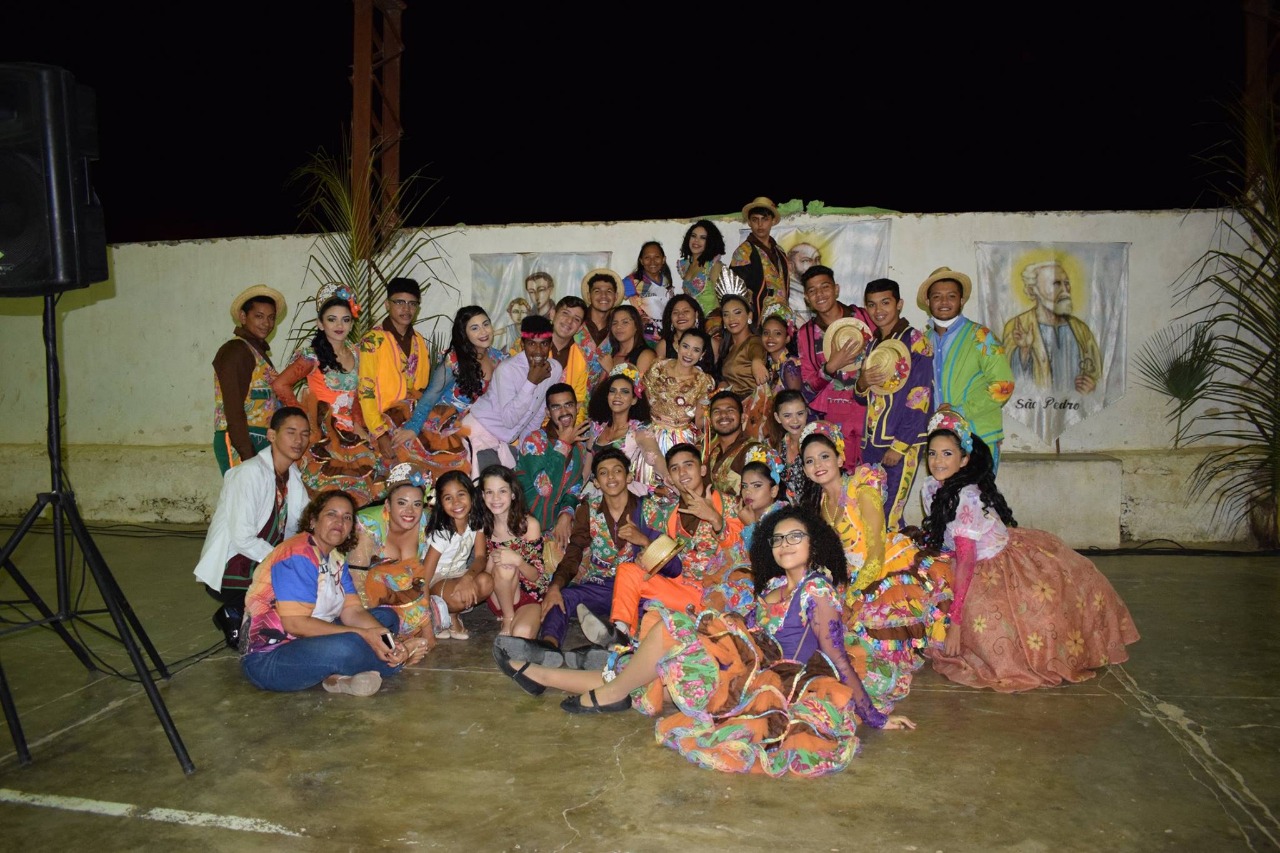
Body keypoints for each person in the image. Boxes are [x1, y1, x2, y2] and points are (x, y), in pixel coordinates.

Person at [495, 505, 914, 778]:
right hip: (746, 664)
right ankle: (540, 676)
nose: (784, 545)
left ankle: (604, 692)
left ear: (814, 543)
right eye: (777, 539)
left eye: (795, 537)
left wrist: (875, 717)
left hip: (770, 682)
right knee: (647, 664)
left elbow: (836, 654)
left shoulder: (817, 590)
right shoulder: (775, 587)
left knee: (668, 634)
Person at [920, 408, 1138, 690]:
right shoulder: (931, 486)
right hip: (961, 559)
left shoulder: (967, 498)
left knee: (1003, 623)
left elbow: (966, 562)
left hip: (987, 564)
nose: (938, 461)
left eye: (947, 454)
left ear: (964, 460)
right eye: (933, 453)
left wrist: (956, 623)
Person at [797, 422, 949, 709]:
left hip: (884, 569)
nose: (818, 465)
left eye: (824, 456)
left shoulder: (862, 488)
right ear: (804, 469)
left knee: (863, 628)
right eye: (810, 461)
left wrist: (854, 595)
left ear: (840, 458)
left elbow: (876, 551)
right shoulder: (819, 503)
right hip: (852, 576)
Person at [239, 490, 420, 696]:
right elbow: (295, 624)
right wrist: (366, 636)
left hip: (312, 641)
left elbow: (353, 611)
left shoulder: (336, 557)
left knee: (386, 618)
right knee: (349, 645)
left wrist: (386, 639)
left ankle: (339, 677)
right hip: (270, 659)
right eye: (331, 514)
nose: (339, 522)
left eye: (347, 517)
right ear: (313, 520)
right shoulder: (297, 554)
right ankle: (395, 661)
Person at [585, 442, 752, 643]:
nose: (682, 473)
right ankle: (620, 632)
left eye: (688, 465)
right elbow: (670, 562)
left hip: (718, 597)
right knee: (628, 570)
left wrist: (716, 520)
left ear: (702, 469)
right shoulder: (669, 514)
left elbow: (743, 554)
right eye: (675, 468)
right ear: (670, 477)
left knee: (653, 623)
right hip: (683, 592)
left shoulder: (730, 504)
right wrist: (648, 557)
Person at [195, 406, 312, 648]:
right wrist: (286, 562)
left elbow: (303, 525)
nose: (298, 440)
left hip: (264, 560)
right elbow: (243, 539)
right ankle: (234, 610)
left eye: (304, 434)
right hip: (235, 569)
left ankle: (246, 614)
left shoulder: (292, 476)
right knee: (295, 585)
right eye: (291, 432)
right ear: (271, 435)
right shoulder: (248, 474)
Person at [533, 448, 670, 651]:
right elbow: (575, 550)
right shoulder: (589, 509)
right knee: (562, 597)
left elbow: (666, 557)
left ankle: (615, 644)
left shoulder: (648, 509)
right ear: (596, 482)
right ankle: (549, 646)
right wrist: (555, 586)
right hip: (599, 586)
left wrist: (642, 540)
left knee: (661, 610)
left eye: (617, 470)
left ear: (629, 477)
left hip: (636, 590)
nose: (611, 477)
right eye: (603, 473)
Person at [270, 283, 379, 505]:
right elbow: (280, 385)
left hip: (351, 434)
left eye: (345, 319)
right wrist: (305, 420)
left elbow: (357, 396)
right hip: (322, 435)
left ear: (352, 323)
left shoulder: (357, 354)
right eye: (332, 319)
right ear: (320, 323)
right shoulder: (312, 356)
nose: (339, 325)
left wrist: (358, 425)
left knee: (359, 492)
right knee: (326, 496)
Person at [918, 267, 1015, 471]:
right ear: (927, 301)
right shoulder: (922, 341)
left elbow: (1004, 386)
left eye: (951, 296)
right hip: (940, 441)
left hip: (978, 436)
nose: (944, 302)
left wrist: (958, 412)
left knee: (975, 492)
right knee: (944, 492)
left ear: (962, 300)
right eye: (937, 296)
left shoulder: (982, 337)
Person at [855, 278, 934, 529]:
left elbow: (920, 397)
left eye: (885, 303)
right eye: (872, 304)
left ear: (899, 304)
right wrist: (862, 382)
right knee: (870, 511)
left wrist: (900, 446)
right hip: (872, 441)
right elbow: (862, 396)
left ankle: (895, 555)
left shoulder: (915, 341)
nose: (878, 310)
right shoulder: (873, 343)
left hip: (901, 443)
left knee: (890, 515)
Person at [399, 305, 507, 478]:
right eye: (474, 328)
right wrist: (413, 427)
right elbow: (431, 394)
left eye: (486, 324)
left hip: (477, 424)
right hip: (443, 427)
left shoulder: (499, 358)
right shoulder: (454, 360)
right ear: (464, 334)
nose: (483, 331)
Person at [346, 464, 441, 653]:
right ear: (388, 505)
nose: (410, 511)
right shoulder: (367, 526)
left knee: (436, 609)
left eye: (417, 504)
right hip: (362, 602)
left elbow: (420, 578)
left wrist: (428, 631)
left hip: (406, 599)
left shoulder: (425, 522)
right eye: (402, 503)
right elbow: (356, 585)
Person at [463, 314, 564, 471]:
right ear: (522, 344)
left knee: (515, 480)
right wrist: (531, 382)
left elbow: (536, 415)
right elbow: (509, 420)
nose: (538, 351)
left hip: (503, 441)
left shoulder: (555, 369)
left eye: (544, 344)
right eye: (532, 344)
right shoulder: (507, 370)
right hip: (479, 431)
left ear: (550, 344)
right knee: (488, 483)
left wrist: (524, 451)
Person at [796, 265, 873, 469]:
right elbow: (808, 386)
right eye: (812, 290)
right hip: (833, 412)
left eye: (825, 287)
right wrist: (830, 368)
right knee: (840, 473)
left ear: (836, 289)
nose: (820, 294)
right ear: (806, 298)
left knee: (873, 473)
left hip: (871, 408)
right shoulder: (805, 334)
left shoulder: (863, 317)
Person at [357, 277, 432, 472]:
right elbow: (366, 391)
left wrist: (416, 424)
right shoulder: (373, 340)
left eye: (412, 304)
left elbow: (423, 388)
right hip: (382, 424)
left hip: (412, 423)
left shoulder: (419, 341)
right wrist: (380, 434)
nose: (406, 309)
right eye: (399, 302)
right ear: (387, 304)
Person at [1001, 259, 1102, 395]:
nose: (1065, 290)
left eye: (1067, 283)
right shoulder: (1018, 326)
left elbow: (1097, 374)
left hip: (1073, 403)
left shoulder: (1081, 329)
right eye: (1056, 283)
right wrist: (1024, 350)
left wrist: (1092, 387)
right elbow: (1005, 379)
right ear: (1032, 290)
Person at [212, 284, 284, 473]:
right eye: (259, 316)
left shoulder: (255, 351)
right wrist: (247, 454)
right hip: (241, 440)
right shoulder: (236, 351)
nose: (266, 323)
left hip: (259, 439)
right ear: (243, 317)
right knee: (244, 490)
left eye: (271, 317)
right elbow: (233, 408)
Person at [513, 382, 590, 554]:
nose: (564, 412)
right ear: (548, 412)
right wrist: (563, 445)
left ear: (577, 407)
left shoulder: (579, 447)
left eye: (568, 405)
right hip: (522, 529)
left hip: (552, 532)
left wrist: (566, 513)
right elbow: (544, 488)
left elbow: (574, 488)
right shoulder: (535, 441)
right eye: (556, 407)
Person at [478, 465, 548, 638]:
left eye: (502, 491)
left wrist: (518, 561)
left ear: (513, 494)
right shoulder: (483, 526)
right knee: (504, 566)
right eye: (489, 492)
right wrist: (494, 560)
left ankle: (519, 619)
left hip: (529, 595)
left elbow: (536, 576)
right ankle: (508, 617)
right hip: (500, 596)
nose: (496, 498)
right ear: (483, 496)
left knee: (522, 634)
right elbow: (486, 573)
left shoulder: (529, 525)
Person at [421, 470, 493, 640]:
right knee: (458, 596)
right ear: (441, 503)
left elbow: (480, 557)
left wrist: (467, 578)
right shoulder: (442, 532)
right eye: (448, 498)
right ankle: (442, 614)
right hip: (436, 579)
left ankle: (449, 613)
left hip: (458, 573)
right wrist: (423, 617)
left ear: (471, 496)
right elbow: (425, 576)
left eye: (461, 494)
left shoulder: (476, 521)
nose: (456, 502)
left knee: (487, 582)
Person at [587, 363, 664, 495]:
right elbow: (586, 471)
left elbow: (657, 460)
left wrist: (669, 478)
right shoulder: (597, 427)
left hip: (620, 496)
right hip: (592, 493)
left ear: (634, 400)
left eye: (625, 391)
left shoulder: (639, 432)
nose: (617, 396)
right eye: (613, 391)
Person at [642, 328, 716, 461]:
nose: (689, 353)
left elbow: (700, 420)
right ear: (677, 346)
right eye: (685, 346)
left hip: (682, 439)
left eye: (696, 350)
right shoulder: (658, 367)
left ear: (702, 354)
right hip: (650, 434)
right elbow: (644, 396)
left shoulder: (704, 381)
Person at [728, 196, 789, 320]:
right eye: (755, 219)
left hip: (783, 315)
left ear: (772, 221)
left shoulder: (780, 251)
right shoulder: (743, 252)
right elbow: (736, 291)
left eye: (765, 219)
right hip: (757, 316)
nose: (760, 224)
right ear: (749, 222)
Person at [713, 291, 767, 403]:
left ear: (749, 316)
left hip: (754, 406)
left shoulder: (754, 341)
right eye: (726, 314)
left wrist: (757, 361)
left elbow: (756, 350)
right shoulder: (728, 348)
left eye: (737, 312)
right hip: (734, 405)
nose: (731, 319)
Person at [576, 269, 623, 392]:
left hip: (599, 398)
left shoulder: (618, 330)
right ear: (589, 296)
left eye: (609, 291)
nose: (603, 296)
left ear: (615, 297)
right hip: (568, 395)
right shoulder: (575, 322)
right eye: (597, 291)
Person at [621, 241, 675, 344]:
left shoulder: (666, 279)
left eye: (657, 257)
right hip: (646, 338)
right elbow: (614, 301)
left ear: (663, 259)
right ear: (641, 261)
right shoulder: (632, 281)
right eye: (647, 257)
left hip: (668, 337)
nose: (652, 262)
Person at [704, 390, 753, 496]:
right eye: (717, 411)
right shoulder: (714, 453)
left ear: (743, 418)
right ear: (710, 420)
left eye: (730, 410)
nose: (723, 415)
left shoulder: (754, 451)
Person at [546, 296, 590, 412]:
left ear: (580, 328)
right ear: (552, 314)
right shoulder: (528, 345)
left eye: (576, 319)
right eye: (565, 313)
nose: (569, 321)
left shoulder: (581, 359)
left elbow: (579, 402)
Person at [738, 444, 785, 550]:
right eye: (744, 486)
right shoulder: (743, 513)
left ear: (773, 490)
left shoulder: (783, 519)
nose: (748, 491)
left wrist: (751, 526)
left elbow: (766, 554)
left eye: (757, 485)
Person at [653, 295, 715, 373]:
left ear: (696, 314)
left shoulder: (713, 344)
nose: (680, 315)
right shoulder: (663, 346)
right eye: (675, 312)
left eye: (686, 311)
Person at [677, 220, 726, 316]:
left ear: (710, 242)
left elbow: (724, 300)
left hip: (712, 321)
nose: (696, 241)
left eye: (703, 238)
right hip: (692, 321)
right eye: (693, 236)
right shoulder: (685, 265)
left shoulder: (714, 266)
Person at [771, 388, 811, 503]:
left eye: (800, 414)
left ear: (807, 412)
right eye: (787, 415)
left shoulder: (816, 443)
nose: (795, 421)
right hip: (783, 508)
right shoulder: (775, 446)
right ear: (777, 417)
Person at [607, 304, 657, 376]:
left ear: (636, 325)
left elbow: (640, 383)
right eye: (614, 323)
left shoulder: (646, 355)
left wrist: (610, 369)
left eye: (625, 322)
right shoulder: (611, 355)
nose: (618, 327)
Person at [786, 241, 822, 323]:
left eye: (817, 259)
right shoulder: (787, 295)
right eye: (806, 261)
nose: (814, 265)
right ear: (790, 266)